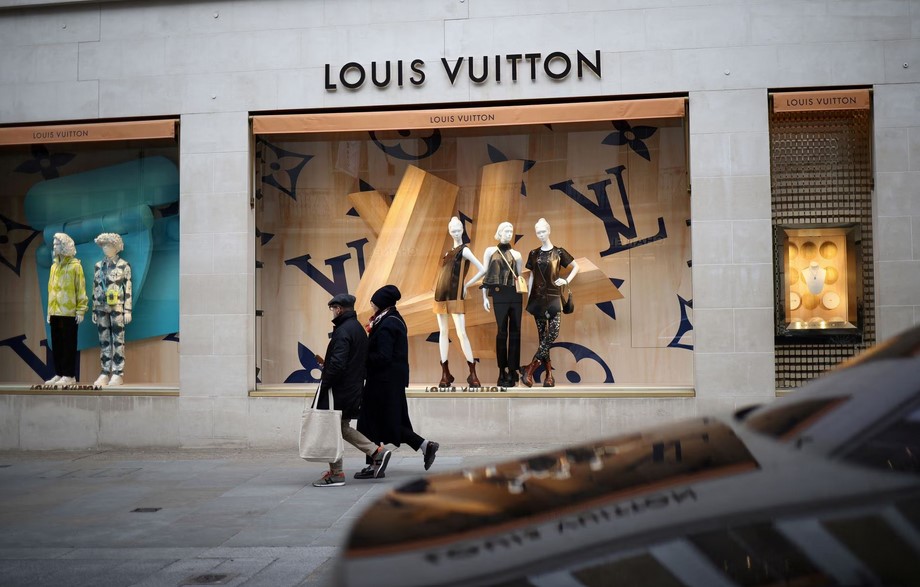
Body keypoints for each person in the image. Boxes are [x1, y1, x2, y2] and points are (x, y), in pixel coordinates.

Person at [358, 284, 440, 473]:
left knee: (369, 422)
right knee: (389, 422)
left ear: (382, 303)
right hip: (388, 381)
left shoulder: (388, 323)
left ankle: (375, 463)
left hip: (383, 382)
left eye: (374, 303)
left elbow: (383, 356)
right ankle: (425, 446)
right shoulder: (389, 319)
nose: (372, 306)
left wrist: (361, 357)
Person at [313, 293, 392, 488]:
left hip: (339, 390)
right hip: (351, 387)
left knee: (332, 428)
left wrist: (325, 384)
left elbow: (338, 364)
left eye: (333, 308)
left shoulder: (343, 331)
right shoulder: (356, 328)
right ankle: (376, 452)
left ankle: (337, 473)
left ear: (339, 309)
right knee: (341, 427)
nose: (332, 312)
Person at [521, 218, 579, 388]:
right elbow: (532, 276)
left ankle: (530, 368)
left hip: (554, 298)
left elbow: (576, 267)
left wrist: (566, 280)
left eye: (543, 231)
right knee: (542, 338)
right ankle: (549, 376)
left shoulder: (559, 252)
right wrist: (529, 297)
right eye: (538, 232)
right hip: (537, 298)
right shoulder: (533, 253)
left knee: (552, 333)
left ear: (549, 231)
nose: (541, 235)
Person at [469, 221, 524, 387]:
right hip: (499, 296)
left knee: (515, 333)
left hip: (515, 296)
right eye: (506, 231)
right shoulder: (490, 251)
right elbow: (486, 275)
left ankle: (513, 370)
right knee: (501, 333)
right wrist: (484, 297)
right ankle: (501, 371)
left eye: (511, 231)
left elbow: (519, 276)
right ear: (499, 233)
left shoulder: (517, 254)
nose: (509, 234)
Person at [433, 217, 485, 387]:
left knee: (461, 333)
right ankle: (445, 373)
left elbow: (482, 269)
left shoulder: (465, 250)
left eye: (458, 230)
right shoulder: (448, 253)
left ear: (462, 230)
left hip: (455, 295)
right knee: (443, 331)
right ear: (449, 232)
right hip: (440, 294)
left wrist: (466, 284)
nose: (456, 233)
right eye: (453, 230)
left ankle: (472, 373)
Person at [44, 232, 88, 387]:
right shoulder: (54, 267)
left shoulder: (76, 266)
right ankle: (59, 373)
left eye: (57, 244)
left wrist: (81, 309)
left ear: (64, 246)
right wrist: (49, 311)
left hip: (69, 312)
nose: (54, 247)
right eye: (54, 244)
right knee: (56, 343)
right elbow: (50, 290)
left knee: (68, 343)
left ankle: (69, 375)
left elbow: (80, 289)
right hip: (55, 311)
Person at [91, 233, 132, 387]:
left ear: (116, 247)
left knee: (118, 339)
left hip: (117, 306)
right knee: (104, 340)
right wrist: (94, 309)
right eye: (103, 245)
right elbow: (95, 287)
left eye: (108, 245)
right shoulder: (98, 266)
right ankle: (104, 371)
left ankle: (117, 373)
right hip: (101, 307)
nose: (105, 248)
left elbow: (128, 288)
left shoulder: (124, 265)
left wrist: (127, 309)